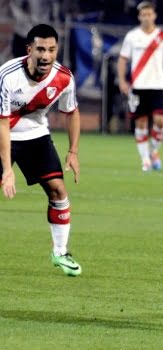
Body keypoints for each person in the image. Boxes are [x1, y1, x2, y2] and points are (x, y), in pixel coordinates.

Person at [0, 24, 82, 276]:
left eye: (51, 49)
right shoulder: (7, 76)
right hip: (3, 133)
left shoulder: (64, 78)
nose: (46, 56)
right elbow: (2, 123)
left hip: (34, 134)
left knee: (58, 190)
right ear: (29, 50)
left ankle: (60, 252)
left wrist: (73, 151)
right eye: (40, 49)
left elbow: (71, 112)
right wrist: (7, 170)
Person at [117, 1, 163, 172]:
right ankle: (145, 159)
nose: (146, 17)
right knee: (141, 122)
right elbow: (123, 59)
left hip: (158, 85)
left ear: (154, 15)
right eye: (143, 14)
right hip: (138, 86)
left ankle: (154, 150)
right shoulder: (132, 36)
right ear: (139, 17)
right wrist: (122, 80)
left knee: (161, 121)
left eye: (149, 14)